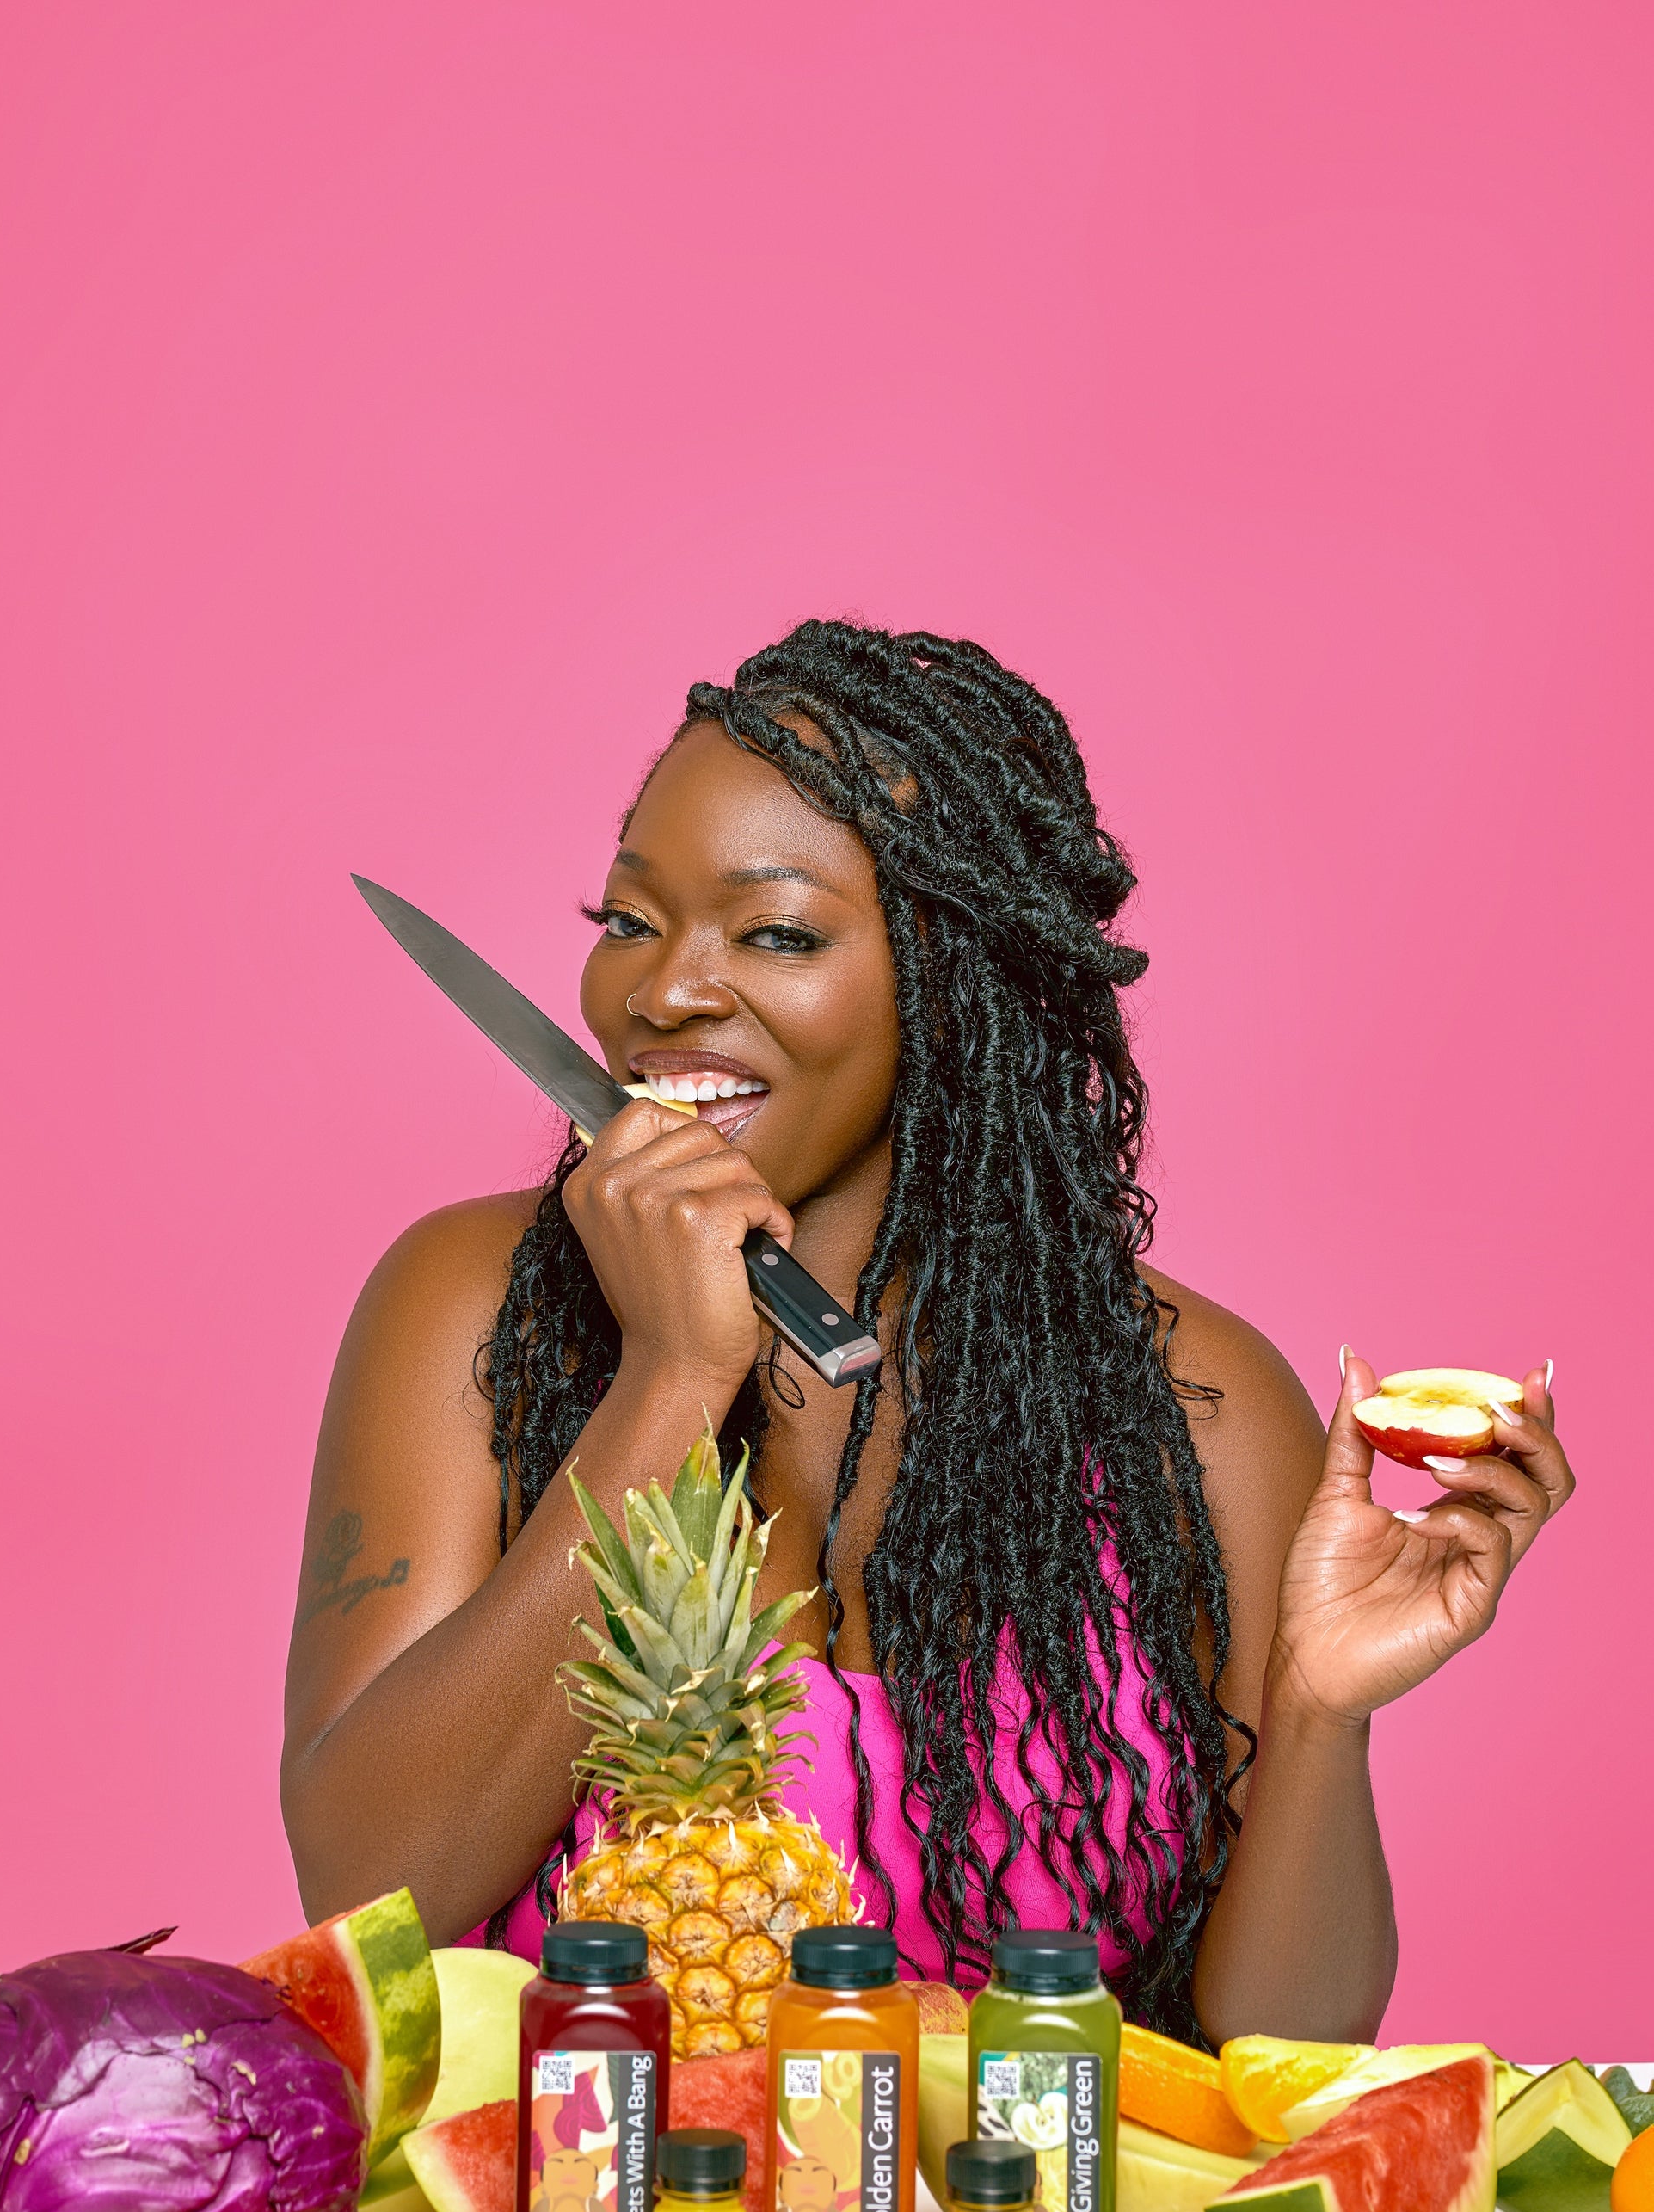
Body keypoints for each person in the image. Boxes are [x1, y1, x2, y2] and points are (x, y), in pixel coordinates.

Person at [280, 621, 1573, 2043]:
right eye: (629, 922)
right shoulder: (471, 1307)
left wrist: (1324, 1711)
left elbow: (1281, 2056)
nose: (660, 995)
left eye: (775, 932)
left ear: (955, 984)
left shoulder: (1201, 1408)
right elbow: (364, 1897)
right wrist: (672, 1378)